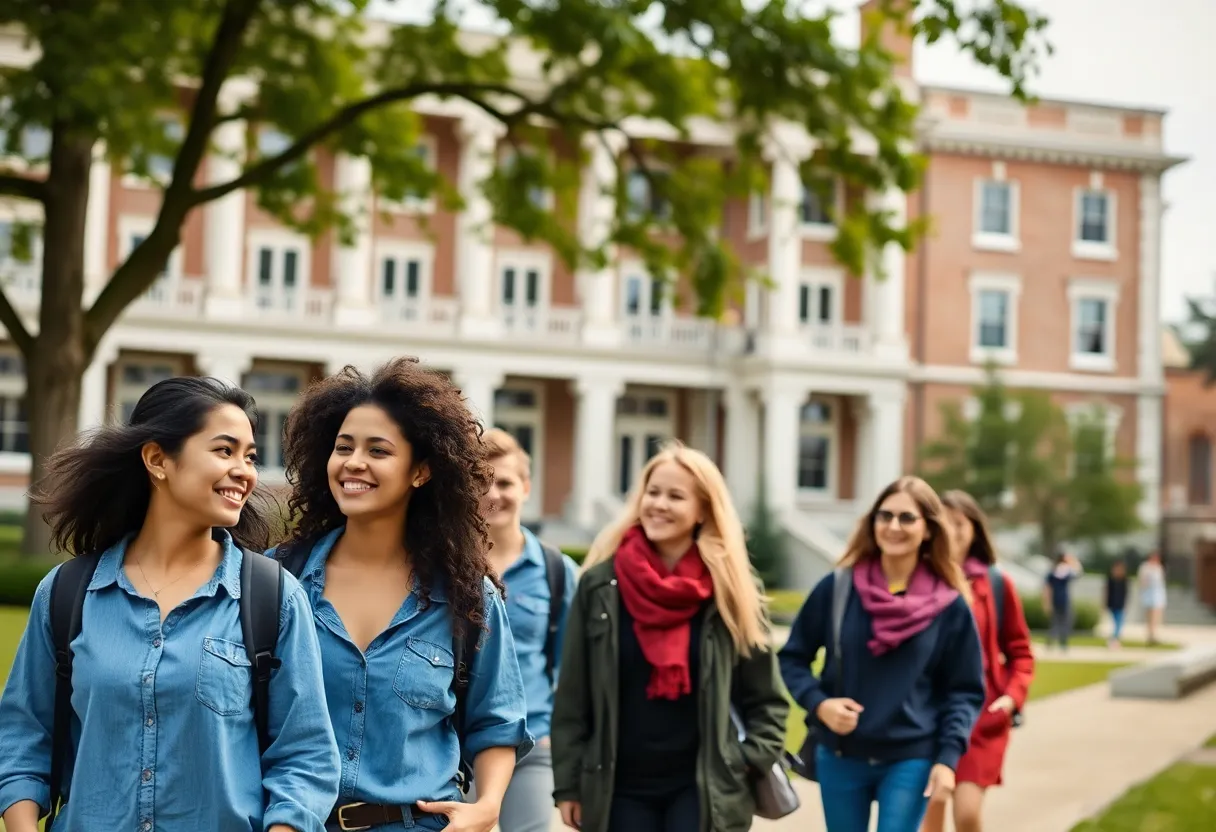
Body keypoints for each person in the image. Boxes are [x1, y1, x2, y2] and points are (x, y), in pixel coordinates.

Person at [0, 377, 339, 832]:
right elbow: (22, 740)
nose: (245, 472)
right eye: (224, 450)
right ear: (158, 460)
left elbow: (306, 759)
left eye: (250, 456)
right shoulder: (67, 593)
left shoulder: (273, 598)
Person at [274, 358, 532, 832]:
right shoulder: (275, 580)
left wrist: (487, 807)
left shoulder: (465, 597)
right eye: (343, 447)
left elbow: (496, 720)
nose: (354, 462)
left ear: (421, 471)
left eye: (378, 450)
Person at [551, 443, 788, 832]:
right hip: (618, 787)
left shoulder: (732, 590)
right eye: (653, 492)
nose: (659, 504)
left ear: (703, 511)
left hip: (703, 788)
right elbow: (573, 697)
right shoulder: (600, 585)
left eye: (675, 496)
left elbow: (767, 698)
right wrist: (569, 784)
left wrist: (746, 760)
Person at [778, 476, 984, 832]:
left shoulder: (949, 605)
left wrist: (948, 760)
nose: (893, 526)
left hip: (911, 758)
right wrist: (820, 704)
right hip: (841, 756)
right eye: (884, 516)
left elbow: (964, 690)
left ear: (928, 530)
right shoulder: (838, 588)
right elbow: (792, 658)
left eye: (907, 518)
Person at [480, 429, 579, 832]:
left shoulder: (558, 572)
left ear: (525, 487)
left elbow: (573, 671)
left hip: (533, 743)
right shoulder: (442, 570)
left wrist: (561, 740)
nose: (492, 493)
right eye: (480, 481)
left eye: (504, 482)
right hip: (455, 745)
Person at [920, 490, 1034, 832]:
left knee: (967, 814)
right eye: (944, 523)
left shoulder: (995, 583)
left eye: (960, 524)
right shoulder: (920, 580)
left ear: (975, 530)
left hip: (982, 717)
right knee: (932, 809)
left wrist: (1012, 698)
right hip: (927, 715)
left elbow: (1021, 651)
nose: (952, 532)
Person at [1042, 552, 1081, 651]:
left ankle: (1051, 643)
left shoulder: (1053, 571)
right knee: (1064, 622)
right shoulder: (1066, 571)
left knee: (1055, 622)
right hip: (1063, 600)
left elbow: (1047, 587)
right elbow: (1078, 573)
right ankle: (1062, 644)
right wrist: (1074, 562)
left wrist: (1046, 602)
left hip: (1055, 600)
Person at [1138, 551, 1167, 645]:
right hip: (1148, 595)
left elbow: (1161, 583)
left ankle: (1154, 635)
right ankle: (1150, 635)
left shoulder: (1159, 568)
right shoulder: (1145, 568)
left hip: (1157, 595)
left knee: (1156, 617)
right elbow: (1142, 581)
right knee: (1150, 617)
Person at [1105, 561, 1129, 648]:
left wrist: (1125, 604)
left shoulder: (1124, 580)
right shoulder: (1111, 579)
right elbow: (1107, 592)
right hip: (1112, 603)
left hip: (1120, 604)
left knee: (1119, 622)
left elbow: (1126, 593)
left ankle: (1115, 638)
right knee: (1117, 622)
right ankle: (1114, 638)